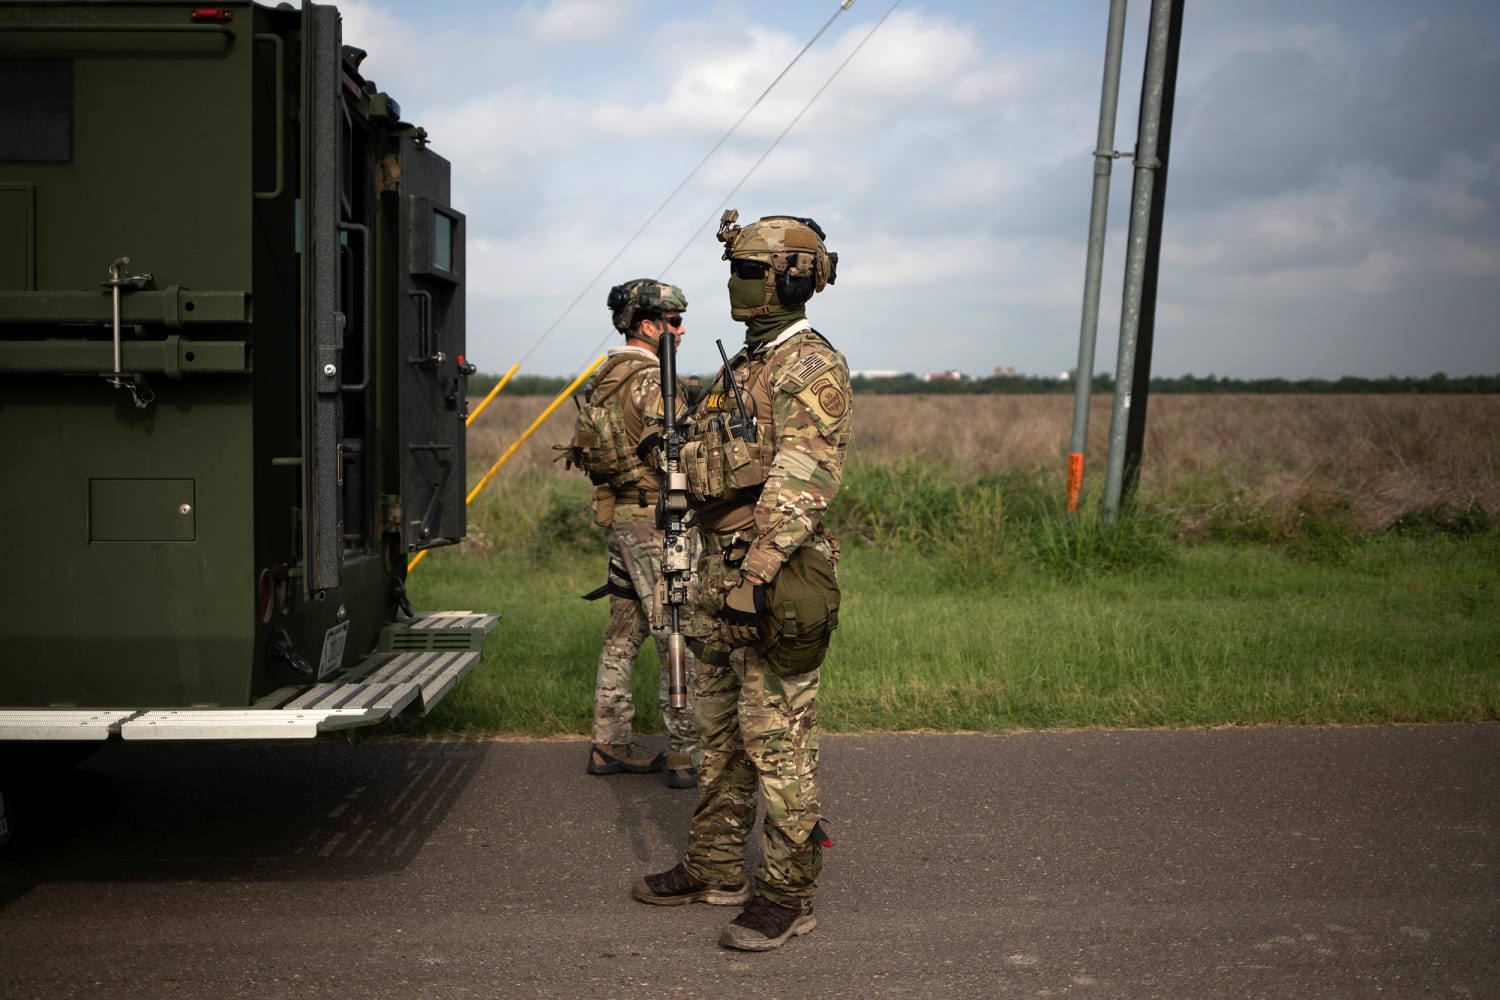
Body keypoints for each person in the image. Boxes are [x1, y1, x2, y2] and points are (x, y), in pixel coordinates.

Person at [631, 213, 851, 951]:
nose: (737, 283)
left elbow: (803, 482)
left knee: (777, 740)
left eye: (751, 271)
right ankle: (717, 866)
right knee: (719, 733)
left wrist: (754, 577)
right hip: (717, 564)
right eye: (737, 269)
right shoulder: (746, 364)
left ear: (792, 278)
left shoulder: (808, 365)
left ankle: (789, 894)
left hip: (775, 573)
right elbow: (722, 453)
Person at [565, 279, 700, 789]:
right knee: (677, 633)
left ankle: (610, 739)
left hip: (622, 516)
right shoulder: (651, 382)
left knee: (623, 632)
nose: (682, 330)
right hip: (654, 521)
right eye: (674, 320)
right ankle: (687, 752)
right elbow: (678, 458)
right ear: (648, 325)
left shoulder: (606, 377)